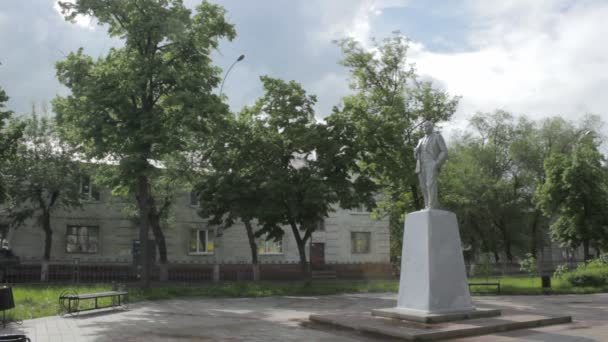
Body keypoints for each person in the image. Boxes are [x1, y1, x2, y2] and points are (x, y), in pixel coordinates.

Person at [414, 121, 448, 209]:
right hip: (420, 164)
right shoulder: (420, 140)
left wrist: (437, 163)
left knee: (430, 184)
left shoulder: (437, 137)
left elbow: (444, 151)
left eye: (427, 126)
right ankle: (427, 205)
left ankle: (433, 205)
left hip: (431, 162)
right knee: (423, 186)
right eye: (423, 127)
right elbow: (416, 154)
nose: (425, 128)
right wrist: (415, 152)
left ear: (431, 127)